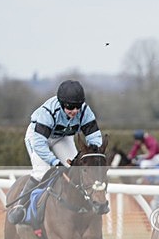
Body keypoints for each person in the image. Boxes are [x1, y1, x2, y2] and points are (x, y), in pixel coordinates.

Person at [6, 79, 103, 224]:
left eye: (77, 107)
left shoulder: (84, 111)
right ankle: (20, 206)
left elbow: (94, 135)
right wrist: (55, 162)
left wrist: (93, 151)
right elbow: (39, 144)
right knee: (42, 173)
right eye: (70, 107)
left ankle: (81, 206)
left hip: (61, 137)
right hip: (38, 138)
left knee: (74, 170)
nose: (75, 111)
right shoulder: (49, 112)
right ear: (61, 103)